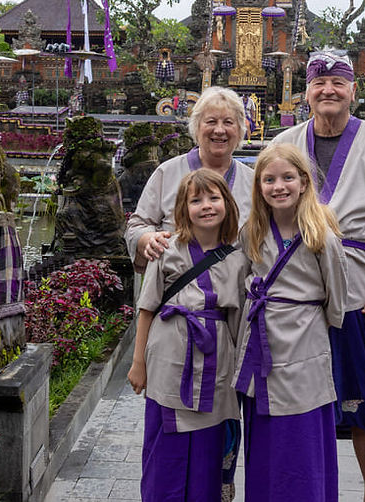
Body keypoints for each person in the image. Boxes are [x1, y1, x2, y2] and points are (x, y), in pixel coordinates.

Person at [272, 50, 365, 502]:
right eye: (319, 83)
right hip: (295, 288)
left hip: (357, 285)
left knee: (362, 390)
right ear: (306, 92)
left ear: (353, 91)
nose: (328, 90)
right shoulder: (285, 143)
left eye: (338, 83)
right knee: (296, 391)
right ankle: (307, 489)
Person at [234, 143, 347, 501]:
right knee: (265, 443)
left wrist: (309, 325)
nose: (278, 186)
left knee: (302, 438)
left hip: (304, 344)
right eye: (269, 179)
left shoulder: (321, 235)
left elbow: (337, 299)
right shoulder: (251, 231)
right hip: (260, 343)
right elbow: (239, 283)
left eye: (287, 178)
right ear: (258, 186)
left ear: (304, 182)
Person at [128, 169, 245, 501]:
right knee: (165, 450)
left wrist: (241, 372)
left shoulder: (239, 257)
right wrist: (138, 363)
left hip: (216, 361)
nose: (206, 206)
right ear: (183, 208)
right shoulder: (165, 248)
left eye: (214, 198)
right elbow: (147, 307)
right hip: (169, 357)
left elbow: (238, 321)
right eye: (196, 200)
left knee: (209, 452)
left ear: (228, 203)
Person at [126, 86, 254, 274]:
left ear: (240, 129)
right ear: (197, 126)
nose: (219, 130)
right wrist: (146, 239)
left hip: (235, 288)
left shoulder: (253, 181)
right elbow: (137, 226)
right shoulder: (167, 172)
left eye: (228, 122)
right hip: (178, 285)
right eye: (211, 121)